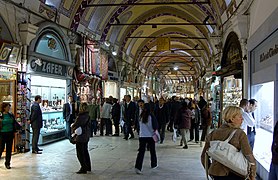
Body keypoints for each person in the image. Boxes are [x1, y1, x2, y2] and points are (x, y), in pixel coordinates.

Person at [201, 106, 256, 180]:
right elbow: (249, 155)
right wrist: (252, 173)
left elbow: (204, 156)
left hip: (217, 173)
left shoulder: (213, 133)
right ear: (232, 119)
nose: (242, 119)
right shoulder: (240, 134)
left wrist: (209, 170)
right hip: (235, 172)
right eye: (240, 117)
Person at [135, 104, 158, 174]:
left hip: (142, 136)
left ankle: (138, 167)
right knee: (152, 151)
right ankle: (153, 164)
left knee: (141, 152)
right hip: (151, 136)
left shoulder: (140, 116)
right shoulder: (151, 116)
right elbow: (155, 126)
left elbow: (138, 126)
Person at [71, 102, 91, 174]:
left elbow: (76, 125)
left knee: (80, 153)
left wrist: (73, 126)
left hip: (81, 136)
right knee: (85, 151)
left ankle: (83, 167)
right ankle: (88, 166)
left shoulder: (80, 116)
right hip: (86, 135)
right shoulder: (87, 115)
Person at [0, 103, 21, 169]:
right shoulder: (1, 115)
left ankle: (7, 163)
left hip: (10, 133)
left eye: (9, 107)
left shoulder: (11, 115)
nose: (9, 108)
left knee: (9, 149)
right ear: (4, 108)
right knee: (1, 148)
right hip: (2, 134)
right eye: (8, 107)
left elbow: (14, 122)